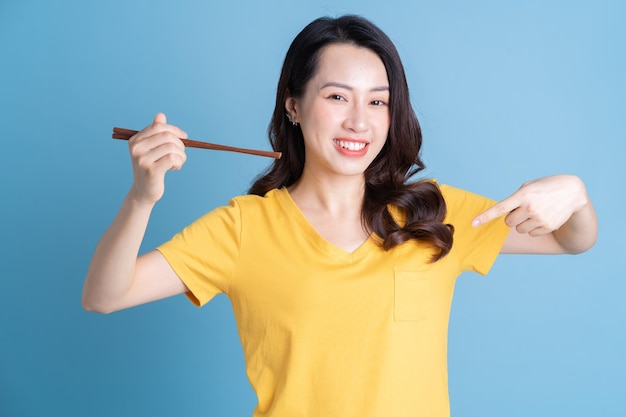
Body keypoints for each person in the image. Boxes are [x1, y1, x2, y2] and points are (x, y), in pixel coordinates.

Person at [82, 15, 597, 417]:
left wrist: (575, 193)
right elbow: (104, 295)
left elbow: (572, 240)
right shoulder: (242, 228)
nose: (359, 120)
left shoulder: (435, 212)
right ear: (293, 106)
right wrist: (142, 197)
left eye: (378, 101)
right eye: (336, 96)